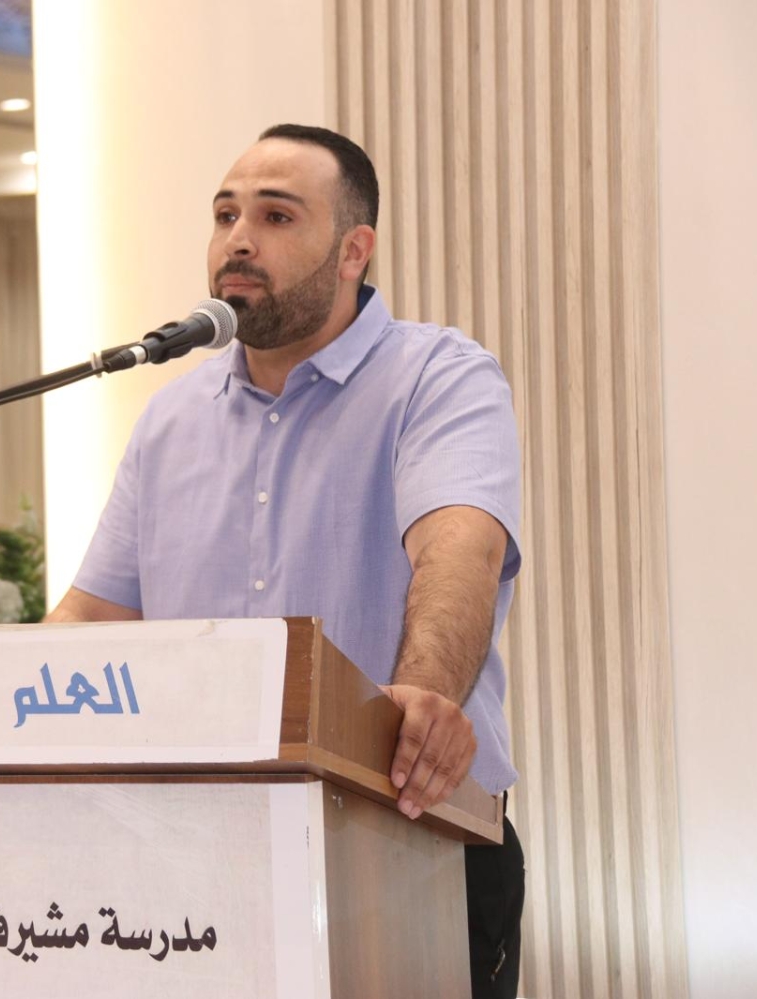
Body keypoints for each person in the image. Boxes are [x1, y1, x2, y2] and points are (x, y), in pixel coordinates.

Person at [44, 123, 526, 998]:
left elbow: (460, 550)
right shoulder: (170, 418)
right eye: (225, 214)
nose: (238, 238)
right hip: (195, 859)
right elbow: (91, 616)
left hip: (405, 833)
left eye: (275, 215)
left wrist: (422, 697)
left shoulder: (438, 377)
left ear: (353, 251)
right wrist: (0, 711)